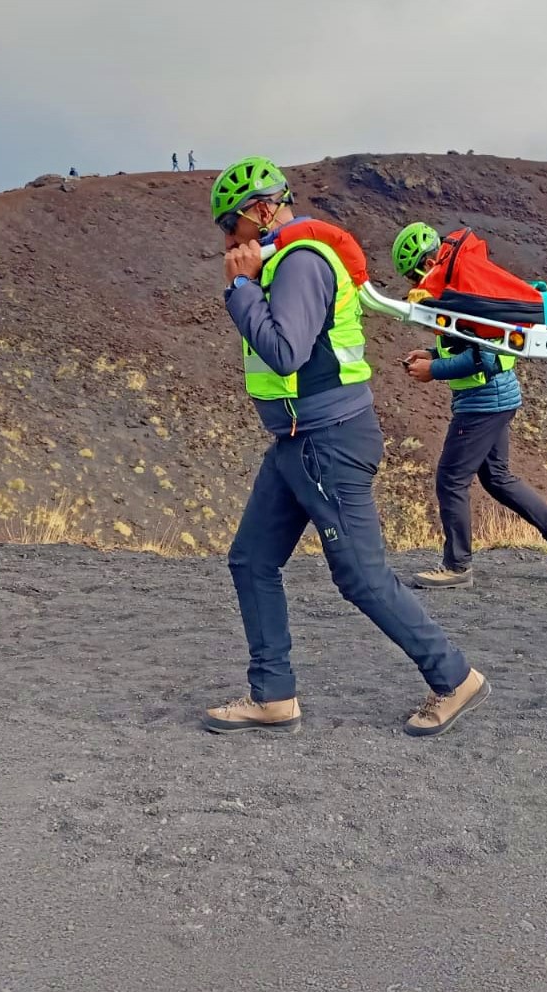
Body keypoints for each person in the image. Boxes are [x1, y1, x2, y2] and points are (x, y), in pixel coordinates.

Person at [203, 156, 489, 737]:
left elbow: (286, 352)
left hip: (327, 440)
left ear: (258, 212)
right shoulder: (278, 263)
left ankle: (454, 677)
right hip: (294, 440)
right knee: (251, 560)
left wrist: (239, 287)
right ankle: (272, 694)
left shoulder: (301, 263)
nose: (226, 241)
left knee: (360, 575)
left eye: (228, 226)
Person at [390, 221, 547, 590]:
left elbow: (486, 358)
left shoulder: (463, 289)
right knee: (496, 477)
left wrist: (434, 369)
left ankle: (456, 566)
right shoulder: (458, 288)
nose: (416, 283)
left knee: (451, 480)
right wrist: (431, 353)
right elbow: (466, 345)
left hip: (483, 401)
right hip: (495, 397)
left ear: (431, 259)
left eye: (417, 272)